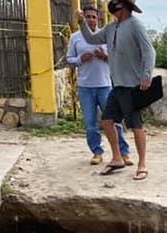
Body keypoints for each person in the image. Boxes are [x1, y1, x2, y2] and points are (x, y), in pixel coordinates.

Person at [80, 0, 156, 180]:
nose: (112, 5)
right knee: (107, 121)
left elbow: (149, 52)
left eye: (115, 3)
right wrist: (81, 23)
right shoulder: (111, 27)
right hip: (117, 85)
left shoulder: (136, 25)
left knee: (136, 126)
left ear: (124, 6)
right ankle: (116, 158)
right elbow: (92, 38)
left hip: (132, 86)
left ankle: (142, 164)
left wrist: (146, 76)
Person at [66, 5, 132, 166]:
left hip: (105, 85)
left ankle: (124, 153)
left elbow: (118, 59)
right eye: (87, 17)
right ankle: (97, 152)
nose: (90, 20)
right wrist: (81, 58)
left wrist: (105, 56)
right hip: (85, 87)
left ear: (98, 19)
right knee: (90, 124)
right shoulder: (75, 37)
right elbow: (69, 60)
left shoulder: (107, 35)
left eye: (93, 17)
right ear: (83, 19)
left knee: (114, 121)